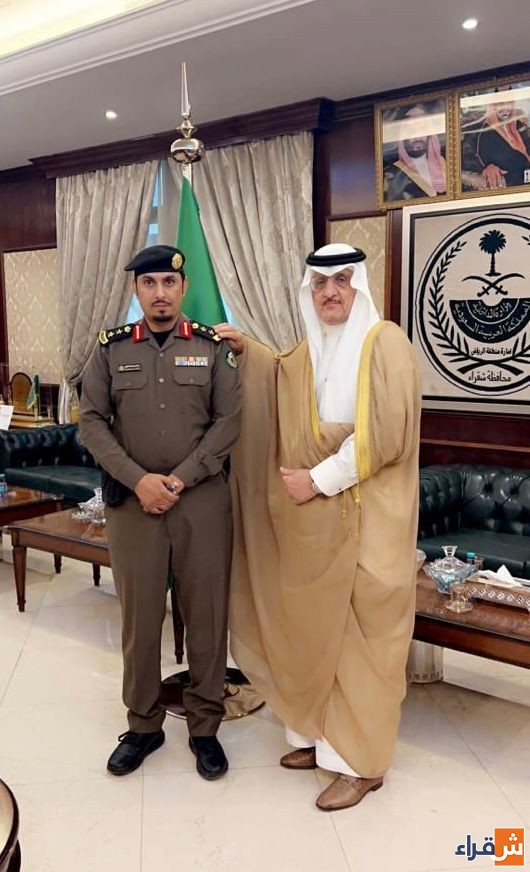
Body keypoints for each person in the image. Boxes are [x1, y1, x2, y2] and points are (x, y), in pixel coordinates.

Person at [217, 242, 421, 811]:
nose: (331, 292)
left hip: (369, 520)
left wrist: (318, 479)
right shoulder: (311, 350)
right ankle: (324, 741)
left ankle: (361, 765)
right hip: (319, 526)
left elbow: (386, 435)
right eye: (320, 283)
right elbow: (279, 377)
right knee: (316, 631)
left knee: (360, 641)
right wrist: (248, 351)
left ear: (360, 287)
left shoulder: (386, 344)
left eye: (342, 281)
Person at [79, 244, 241, 780]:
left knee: (207, 617)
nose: (160, 293)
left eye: (169, 283)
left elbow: (229, 421)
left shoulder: (213, 348)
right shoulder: (110, 350)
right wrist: (139, 480)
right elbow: (91, 422)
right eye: (148, 284)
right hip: (135, 506)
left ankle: (205, 726)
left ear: (183, 287)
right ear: (136, 291)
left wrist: (180, 478)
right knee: (140, 618)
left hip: (202, 503)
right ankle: (144, 724)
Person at [384, 103, 447, 201]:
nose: (417, 137)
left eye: (422, 129)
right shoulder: (392, 174)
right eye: (411, 131)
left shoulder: (444, 164)